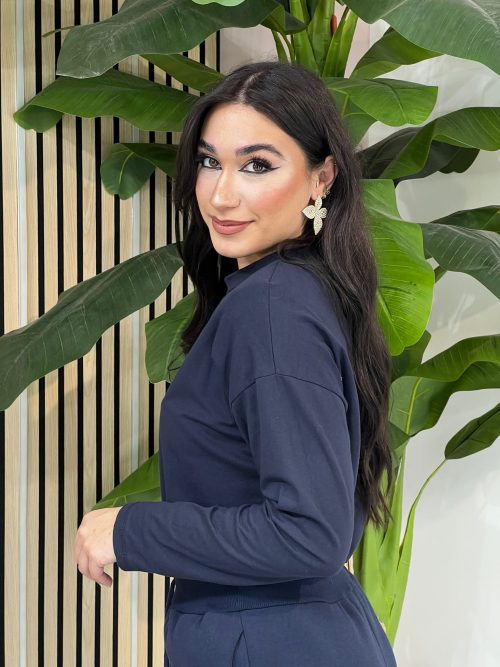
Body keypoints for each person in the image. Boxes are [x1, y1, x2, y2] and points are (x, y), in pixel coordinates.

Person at [74, 59, 398, 666]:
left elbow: (309, 532)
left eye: (257, 165)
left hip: (269, 639)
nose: (221, 195)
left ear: (321, 178)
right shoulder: (299, 291)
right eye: (208, 161)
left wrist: (126, 529)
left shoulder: (273, 308)